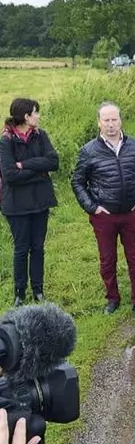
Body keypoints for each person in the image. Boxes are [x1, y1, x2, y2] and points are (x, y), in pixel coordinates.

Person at [71, 102, 135, 317]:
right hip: (104, 217)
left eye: (114, 119)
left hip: (131, 213)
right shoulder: (89, 151)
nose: (110, 124)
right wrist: (92, 207)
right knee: (108, 259)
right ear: (99, 123)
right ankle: (112, 298)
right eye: (106, 120)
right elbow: (77, 182)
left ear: (120, 120)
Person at [0, 99, 58, 306]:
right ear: (26, 116)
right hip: (15, 205)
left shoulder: (41, 136)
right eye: (36, 112)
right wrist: (39, 172)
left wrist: (23, 165)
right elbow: (9, 176)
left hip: (40, 202)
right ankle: (20, 293)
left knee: (38, 247)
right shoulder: (6, 141)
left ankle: (38, 290)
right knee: (21, 248)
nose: (38, 116)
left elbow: (53, 162)